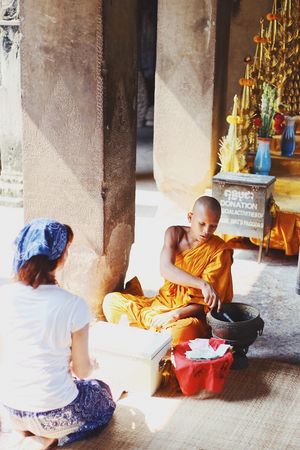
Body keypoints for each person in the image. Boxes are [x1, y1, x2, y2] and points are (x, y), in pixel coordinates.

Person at [0, 219, 116, 449]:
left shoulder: (4, 295)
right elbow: (81, 371)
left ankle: (22, 433)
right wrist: (90, 363)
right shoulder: (73, 305)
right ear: (61, 257)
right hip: (53, 414)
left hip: (9, 410)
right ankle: (50, 437)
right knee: (102, 394)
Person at [103, 196, 233, 346]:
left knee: (178, 333)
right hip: (162, 302)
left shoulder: (220, 251)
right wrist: (202, 284)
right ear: (190, 217)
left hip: (188, 314)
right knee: (110, 302)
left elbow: (207, 303)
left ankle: (144, 335)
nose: (206, 231)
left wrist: (175, 314)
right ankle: (153, 337)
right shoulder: (175, 234)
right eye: (202, 224)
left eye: (213, 226)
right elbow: (166, 268)